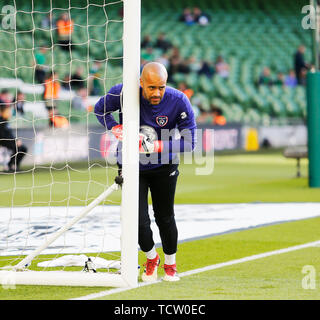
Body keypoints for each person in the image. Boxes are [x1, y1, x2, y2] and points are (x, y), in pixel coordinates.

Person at [94, 62, 197, 282]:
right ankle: (151, 257)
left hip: (164, 167)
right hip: (132, 166)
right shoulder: (122, 92)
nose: (157, 92)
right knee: (137, 220)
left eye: (161, 87)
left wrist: (157, 146)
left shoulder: (179, 100)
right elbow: (99, 109)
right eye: (151, 88)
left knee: (165, 217)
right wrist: (114, 126)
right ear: (141, 83)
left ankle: (170, 264)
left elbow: (190, 143)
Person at [0, 104, 27, 172]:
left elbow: (9, 134)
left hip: (9, 140)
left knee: (23, 148)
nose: (9, 113)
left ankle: (15, 166)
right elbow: (2, 135)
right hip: (3, 141)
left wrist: (16, 140)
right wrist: (14, 141)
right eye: (8, 111)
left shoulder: (6, 121)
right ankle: (9, 166)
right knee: (16, 147)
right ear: (2, 112)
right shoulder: (1, 121)